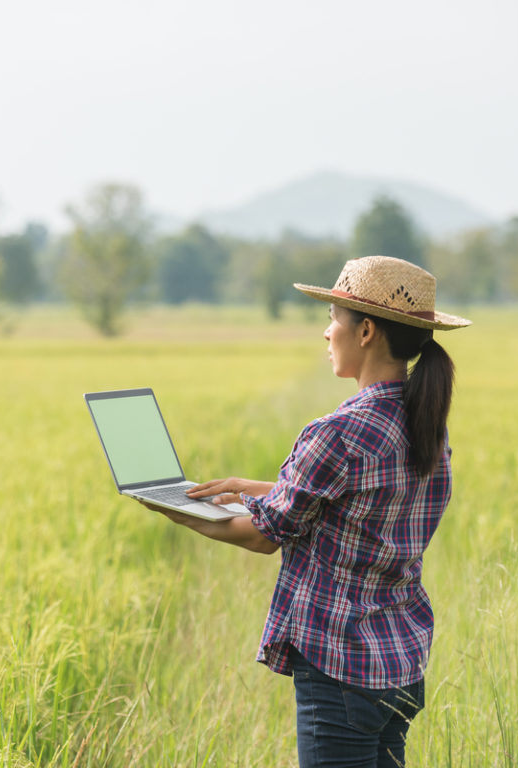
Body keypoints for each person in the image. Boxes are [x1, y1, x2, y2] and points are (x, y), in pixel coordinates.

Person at [139, 255, 471, 768]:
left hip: (341, 668)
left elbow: (264, 536)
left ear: (365, 331)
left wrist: (179, 510)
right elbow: (358, 501)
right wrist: (251, 487)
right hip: (399, 663)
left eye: (333, 319)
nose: (325, 332)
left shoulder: (339, 432)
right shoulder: (424, 422)